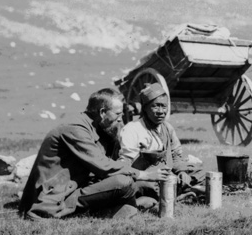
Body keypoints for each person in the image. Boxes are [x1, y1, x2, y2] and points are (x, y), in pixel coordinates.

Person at [19, 88, 169, 220]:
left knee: (138, 184)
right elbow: (104, 167)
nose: (120, 119)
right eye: (118, 114)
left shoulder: (101, 128)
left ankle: (118, 206)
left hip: (77, 187)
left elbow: (113, 163)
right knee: (124, 182)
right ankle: (103, 209)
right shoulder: (75, 129)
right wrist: (143, 174)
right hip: (55, 196)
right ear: (102, 112)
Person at [117, 83, 205, 203]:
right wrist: (148, 174)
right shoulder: (132, 129)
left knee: (200, 172)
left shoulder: (167, 128)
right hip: (147, 177)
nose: (161, 111)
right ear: (145, 108)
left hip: (168, 173)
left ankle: (178, 192)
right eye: (155, 106)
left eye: (164, 106)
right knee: (144, 185)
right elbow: (126, 163)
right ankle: (180, 194)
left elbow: (175, 155)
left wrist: (182, 172)